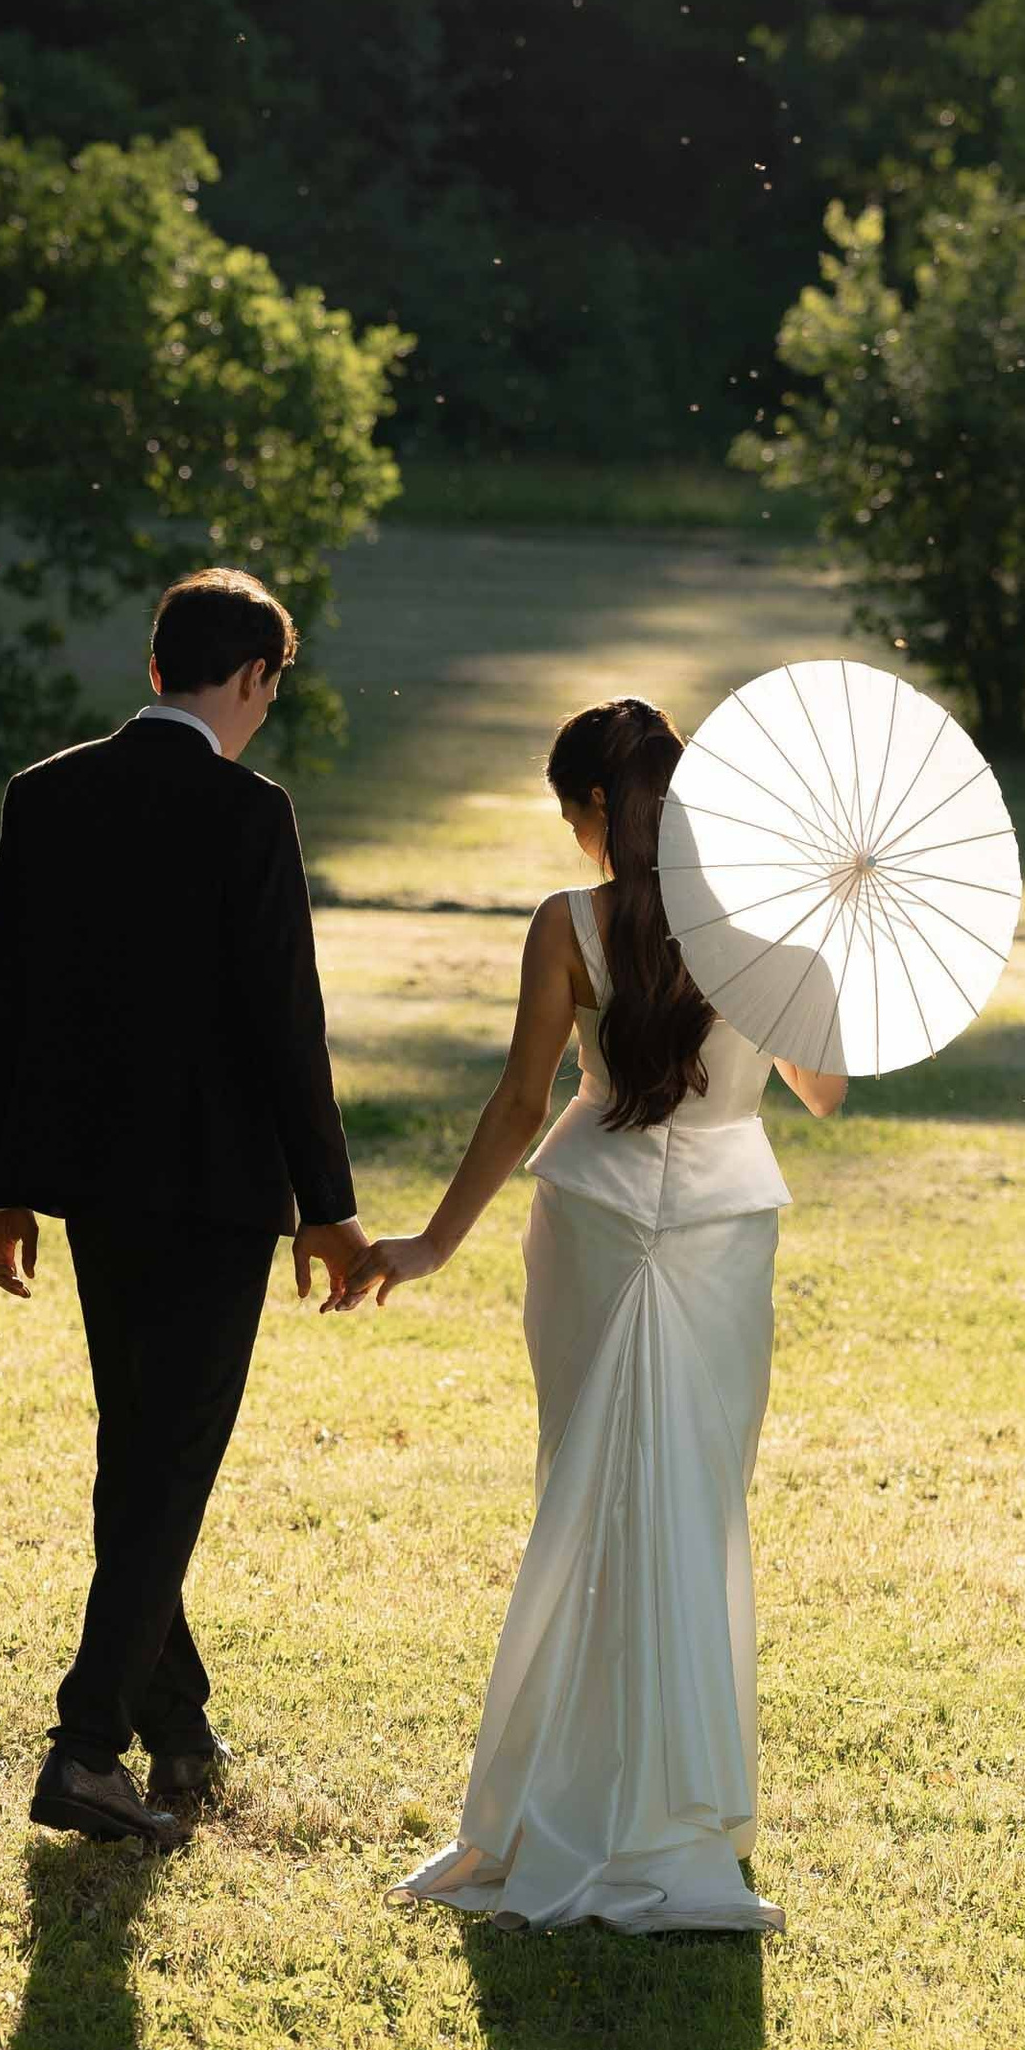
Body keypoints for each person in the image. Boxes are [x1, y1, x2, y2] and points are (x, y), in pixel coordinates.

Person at [346, 697, 847, 1933]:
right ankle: (680, 1817)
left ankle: (552, 1807)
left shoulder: (567, 922)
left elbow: (523, 1102)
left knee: (582, 1498)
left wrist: (432, 1242)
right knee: (695, 1505)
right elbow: (823, 1093)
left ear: (588, 809)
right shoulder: (770, 920)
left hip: (590, 1214)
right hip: (724, 1221)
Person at [0, 568, 370, 1853]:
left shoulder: (46, 795)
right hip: (216, 1192)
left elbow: (6, 998)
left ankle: (177, 1722)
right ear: (251, 678)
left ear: (154, 668)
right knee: (167, 1464)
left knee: (138, 1451)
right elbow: (286, 1019)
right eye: (270, 691)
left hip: (93, 1186)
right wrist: (328, 1207)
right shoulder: (250, 812)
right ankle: (86, 1748)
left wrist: (2, 1182)